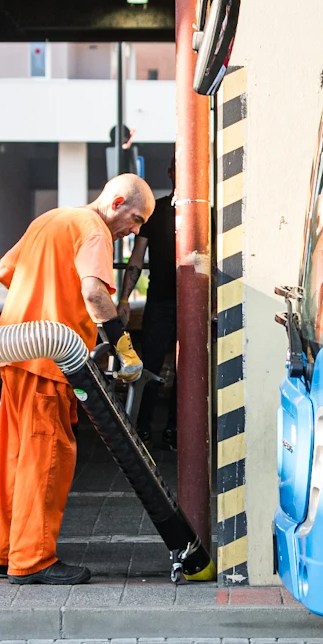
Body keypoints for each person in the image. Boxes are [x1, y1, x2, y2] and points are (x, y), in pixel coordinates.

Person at [0, 173, 154, 585]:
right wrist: (123, 346)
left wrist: (44, 288)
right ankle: (33, 560)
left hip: (11, 350)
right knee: (47, 459)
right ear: (115, 202)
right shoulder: (94, 231)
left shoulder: (50, 219)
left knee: (15, 456)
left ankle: (3, 551)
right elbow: (95, 294)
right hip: (48, 360)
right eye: (135, 219)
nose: (134, 231)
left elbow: (1, 271)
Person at [117, 160, 177, 445]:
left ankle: (175, 429)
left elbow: (215, 260)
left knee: (188, 369)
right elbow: (137, 258)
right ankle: (143, 427)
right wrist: (125, 297)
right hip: (160, 300)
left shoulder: (208, 215)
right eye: (177, 166)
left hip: (194, 304)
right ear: (171, 172)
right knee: (151, 365)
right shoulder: (156, 213)